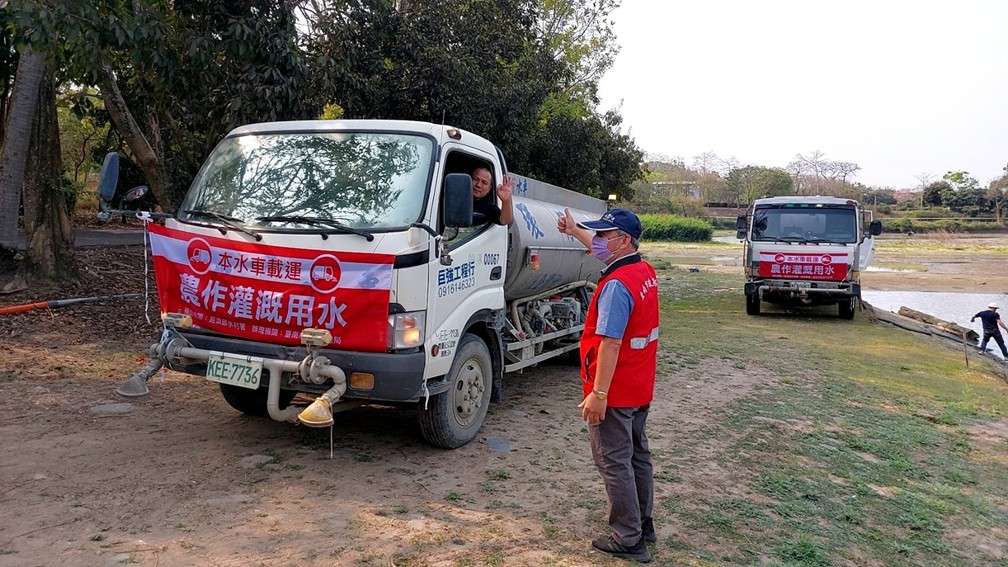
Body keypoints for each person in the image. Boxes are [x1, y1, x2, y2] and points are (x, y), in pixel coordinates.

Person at [558, 207, 659, 564]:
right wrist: (574, 231)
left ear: (624, 240)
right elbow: (606, 253)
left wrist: (598, 394)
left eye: (603, 236)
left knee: (614, 462)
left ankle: (629, 538)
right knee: (637, 456)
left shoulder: (616, 286)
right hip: (639, 384)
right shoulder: (641, 270)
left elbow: (611, 343)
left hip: (615, 391)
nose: (597, 241)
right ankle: (643, 524)